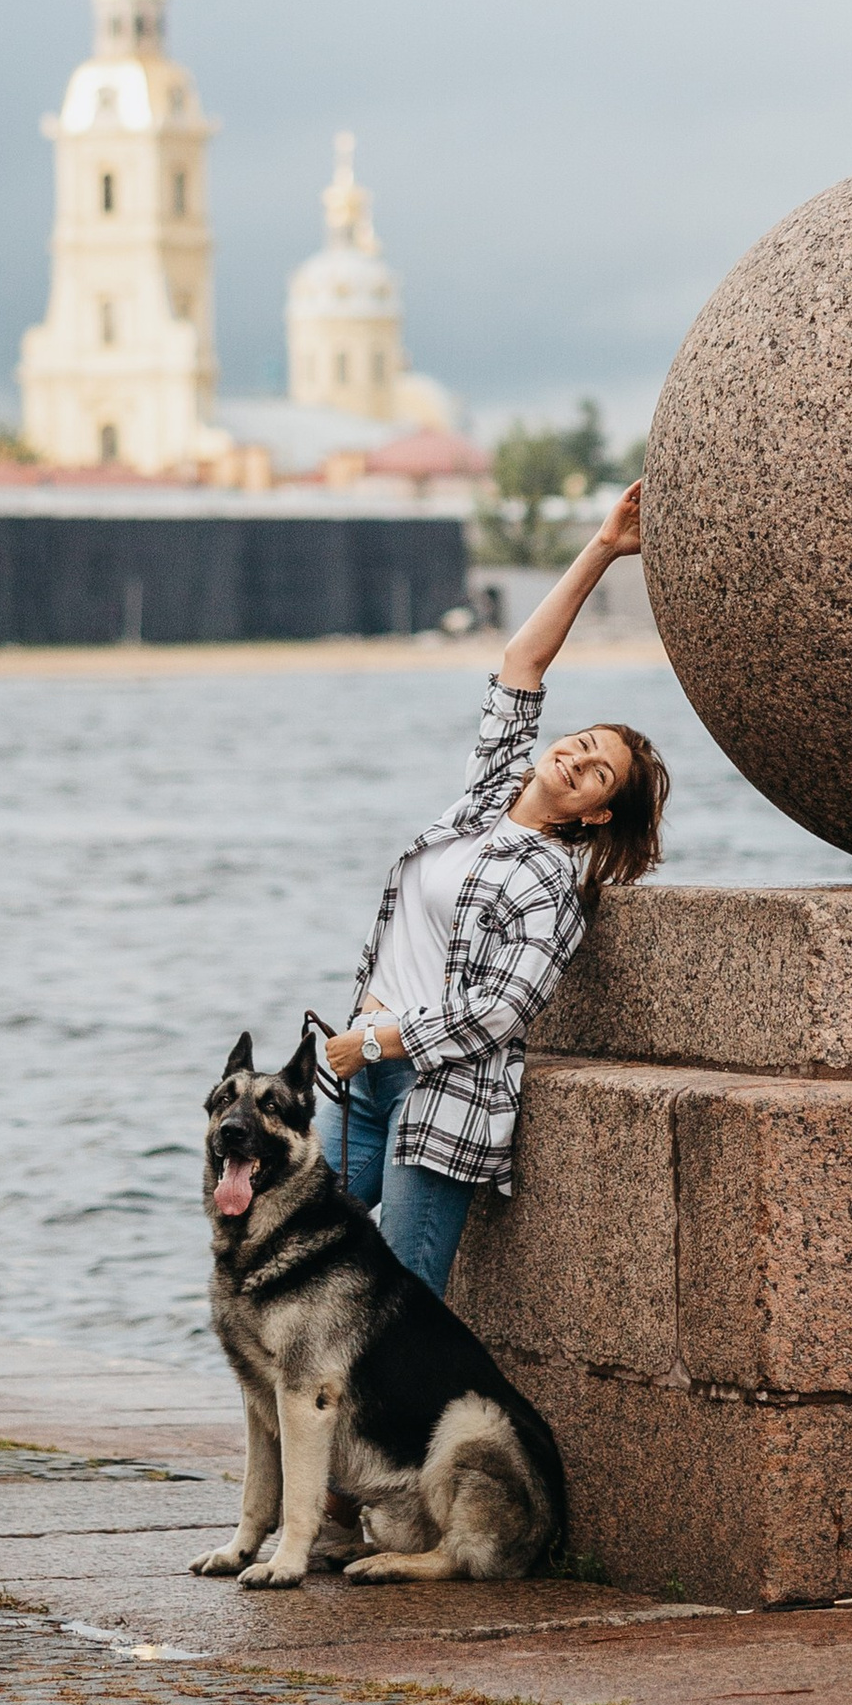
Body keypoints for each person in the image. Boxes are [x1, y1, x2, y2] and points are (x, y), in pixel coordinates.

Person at [316, 479, 668, 1307]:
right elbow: (521, 663)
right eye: (582, 742)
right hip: (363, 1069)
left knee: (405, 1305)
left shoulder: (551, 882)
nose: (576, 758)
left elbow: (499, 1012)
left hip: (436, 1093)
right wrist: (603, 547)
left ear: (597, 812)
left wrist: (377, 1042)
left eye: (598, 771)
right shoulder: (484, 801)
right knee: (292, 1251)